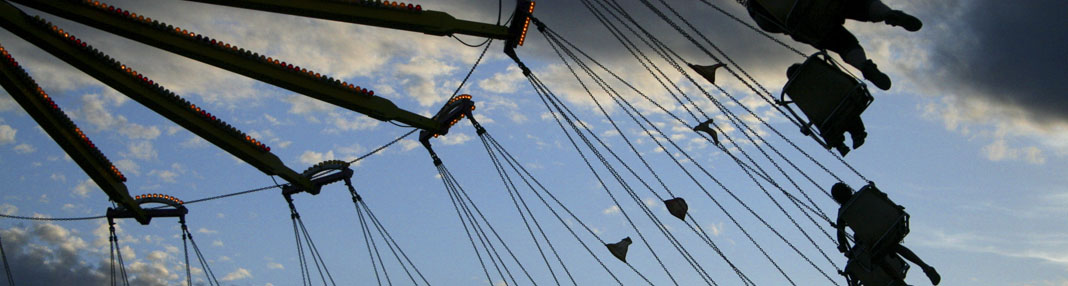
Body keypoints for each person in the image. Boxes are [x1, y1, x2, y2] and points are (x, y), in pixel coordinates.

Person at [748, 0, 922, 90]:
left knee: (844, 44)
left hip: (806, 24)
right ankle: (888, 14)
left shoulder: (755, 8)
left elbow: (772, 26)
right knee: (861, 5)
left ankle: (864, 66)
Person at [832, 182, 941, 285]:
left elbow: (840, 234)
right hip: (890, 227)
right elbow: (883, 198)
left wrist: (843, 247)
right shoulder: (865, 193)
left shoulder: (843, 213)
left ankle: (900, 283)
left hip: (876, 240)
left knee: (877, 258)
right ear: (848, 189)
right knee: (892, 245)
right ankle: (925, 267)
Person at [786, 64, 866, 155]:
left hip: (828, 118)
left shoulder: (800, 92)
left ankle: (839, 144)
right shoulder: (822, 73)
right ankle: (857, 133)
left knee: (823, 120)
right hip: (847, 101)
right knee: (847, 109)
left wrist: (806, 127)